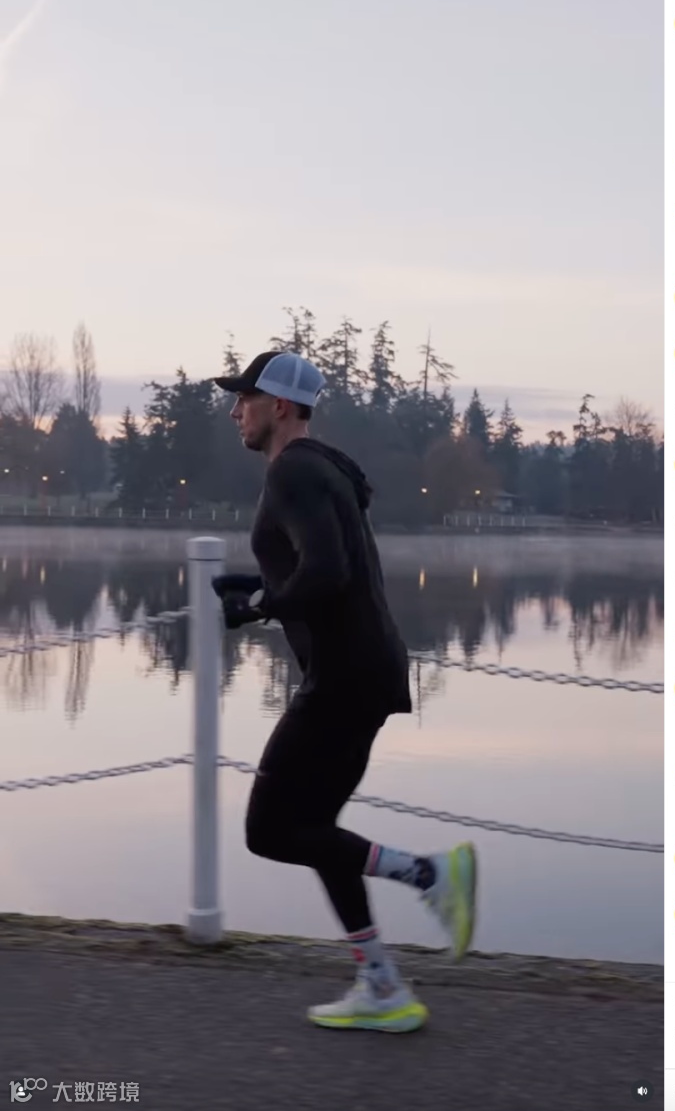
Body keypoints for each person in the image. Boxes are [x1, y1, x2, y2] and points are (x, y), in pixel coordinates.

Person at [210, 350, 477, 1034]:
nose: (236, 410)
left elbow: (326, 571)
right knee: (315, 831)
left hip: (344, 679)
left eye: (245, 398)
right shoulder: (322, 467)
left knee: (270, 830)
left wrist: (264, 603)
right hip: (363, 670)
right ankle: (383, 987)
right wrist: (262, 588)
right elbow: (326, 567)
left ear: (280, 407)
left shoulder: (292, 472)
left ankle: (429, 875)